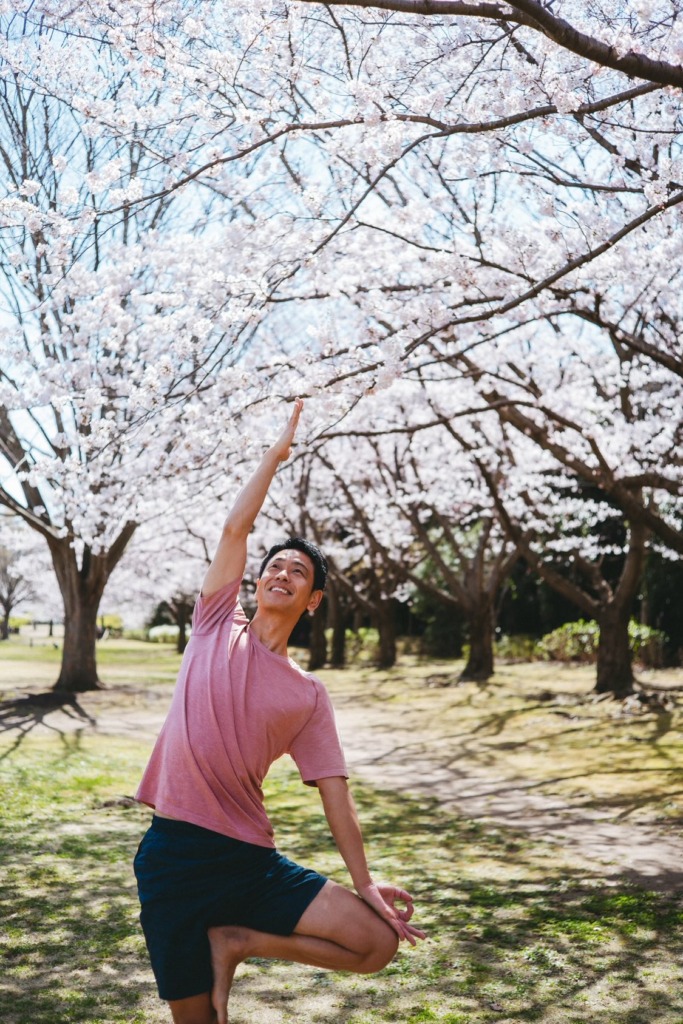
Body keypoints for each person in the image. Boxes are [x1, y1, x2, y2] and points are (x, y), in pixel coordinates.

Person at [133, 398, 425, 1024]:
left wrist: (365, 882)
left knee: (377, 943)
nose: (282, 573)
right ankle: (218, 950)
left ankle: (237, 942)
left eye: (298, 571)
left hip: (246, 860)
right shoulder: (214, 623)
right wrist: (274, 456)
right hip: (173, 855)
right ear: (256, 581)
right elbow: (235, 530)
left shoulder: (308, 694)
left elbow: (335, 795)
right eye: (275, 566)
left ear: (313, 600)